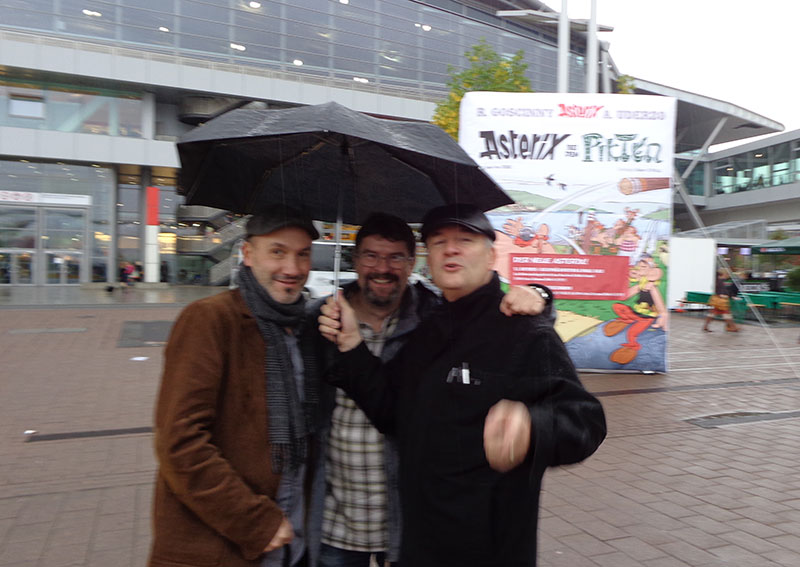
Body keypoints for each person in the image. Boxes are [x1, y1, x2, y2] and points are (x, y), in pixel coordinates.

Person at [318, 204, 606, 567]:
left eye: (464, 240)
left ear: (491, 256)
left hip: (487, 550)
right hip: (420, 544)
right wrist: (351, 346)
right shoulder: (427, 332)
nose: (450, 249)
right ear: (429, 260)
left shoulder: (523, 330)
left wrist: (533, 426)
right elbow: (390, 411)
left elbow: (586, 422)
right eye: (438, 242)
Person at [149, 204, 322, 567]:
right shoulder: (210, 320)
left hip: (292, 545)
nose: (292, 269)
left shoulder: (305, 328)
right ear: (247, 254)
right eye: (277, 252)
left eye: (302, 254)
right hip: (219, 545)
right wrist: (255, 523)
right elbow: (180, 444)